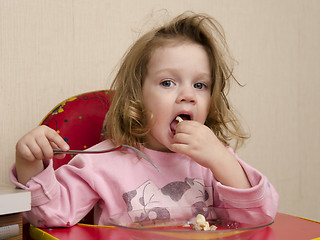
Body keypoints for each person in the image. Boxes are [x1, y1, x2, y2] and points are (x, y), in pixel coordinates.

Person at [10, 12, 279, 228]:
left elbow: (262, 217)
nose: (188, 95)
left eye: (200, 85)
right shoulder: (102, 163)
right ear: (136, 96)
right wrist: (29, 162)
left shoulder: (214, 164)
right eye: (168, 82)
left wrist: (221, 160)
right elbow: (46, 216)